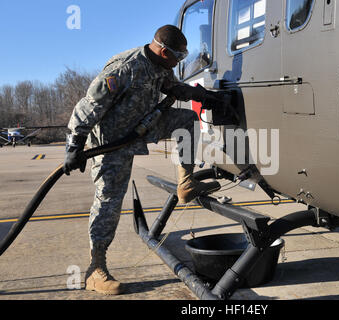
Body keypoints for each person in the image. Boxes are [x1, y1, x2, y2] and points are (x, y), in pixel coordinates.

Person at [64, 25, 224, 295]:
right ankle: (96, 268)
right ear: (163, 51)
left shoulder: (161, 66)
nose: (178, 63)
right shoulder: (124, 68)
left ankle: (186, 183)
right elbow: (88, 106)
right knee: (109, 200)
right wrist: (74, 143)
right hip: (110, 142)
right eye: (178, 58)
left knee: (186, 121)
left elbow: (173, 88)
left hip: (140, 127)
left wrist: (203, 96)